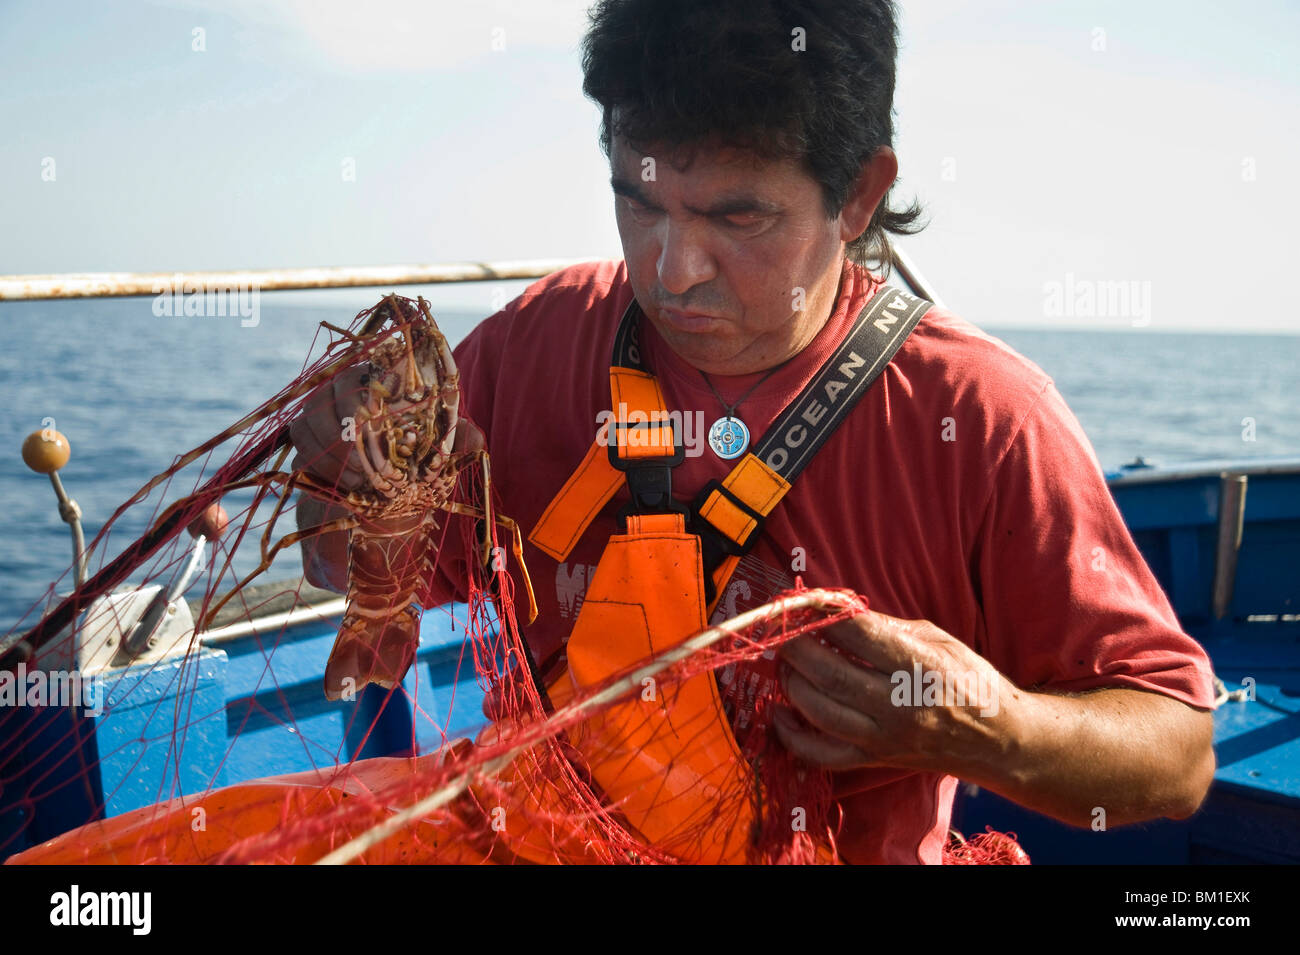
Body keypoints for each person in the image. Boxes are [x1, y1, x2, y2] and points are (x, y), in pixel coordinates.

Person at [291, 0, 1216, 863]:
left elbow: (1177, 753)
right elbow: (353, 569)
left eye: (738, 216)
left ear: (858, 195)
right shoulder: (534, 343)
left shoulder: (979, 423)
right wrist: (344, 488)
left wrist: (995, 727)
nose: (673, 268)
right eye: (640, 201)